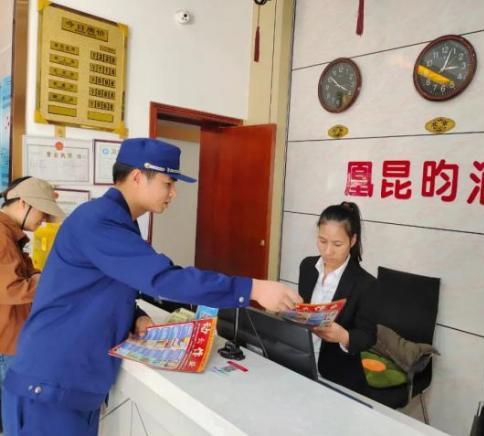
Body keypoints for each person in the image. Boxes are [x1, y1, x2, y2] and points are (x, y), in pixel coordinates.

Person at [2, 138, 301, 436]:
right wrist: (252, 289)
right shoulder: (99, 221)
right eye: (168, 183)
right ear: (137, 177)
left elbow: (99, 287)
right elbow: (163, 278)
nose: (173, 193)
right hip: (51, 385)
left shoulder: (118, 221)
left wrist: (134, 316)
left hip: (69, 387)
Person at [0, 177, 65, 433]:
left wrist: (40, 277)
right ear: (23, 203)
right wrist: (53, 279)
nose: (45, 219)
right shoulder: (2, 237)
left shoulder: (10, 235)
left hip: (10, 337)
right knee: (14, 420)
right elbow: (11, 288)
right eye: (43, 211)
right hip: (6, 341)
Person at [298, 202, 377, 393]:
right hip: (301, 362)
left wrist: (343, 336)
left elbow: (368, 336)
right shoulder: (308, 267)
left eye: (337, 244)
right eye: (322, 241)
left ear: (352, 240)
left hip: (337, 375)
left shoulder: (365, 283)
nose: (327, 251)